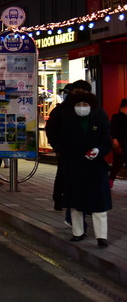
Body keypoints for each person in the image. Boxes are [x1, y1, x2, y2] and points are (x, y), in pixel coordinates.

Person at [53, 90, 112, 248]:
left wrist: (98, 151)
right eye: (78, 104)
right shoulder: (68, 122)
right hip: (74, 166)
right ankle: (77, 233)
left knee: (99, 203)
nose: (81, 107)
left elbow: (107, 142)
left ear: (91, 106)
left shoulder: (99, 121)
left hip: (96, 167)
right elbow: (61, 142)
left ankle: (101, 237)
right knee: (75, 202)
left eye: (85, 104)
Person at [46, 80, 92, 211]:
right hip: (66, 149)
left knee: (86, 175)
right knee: (63, 174)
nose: (80, 94)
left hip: (87, 150)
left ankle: (85, 202)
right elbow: (51, 129)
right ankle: (59, 199)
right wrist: (57, 147)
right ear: (71, 92)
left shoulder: (93, 109)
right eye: (77, 91)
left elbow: (102, 128)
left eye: (84, 92)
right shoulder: (61, 110)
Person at [109, 98, 127, 188]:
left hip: (123, 143)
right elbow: (113, 130)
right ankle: (110, 179)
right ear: (122, 107)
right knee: (117, 163)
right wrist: (115, 140)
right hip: (119, 143)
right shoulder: (116, 117)